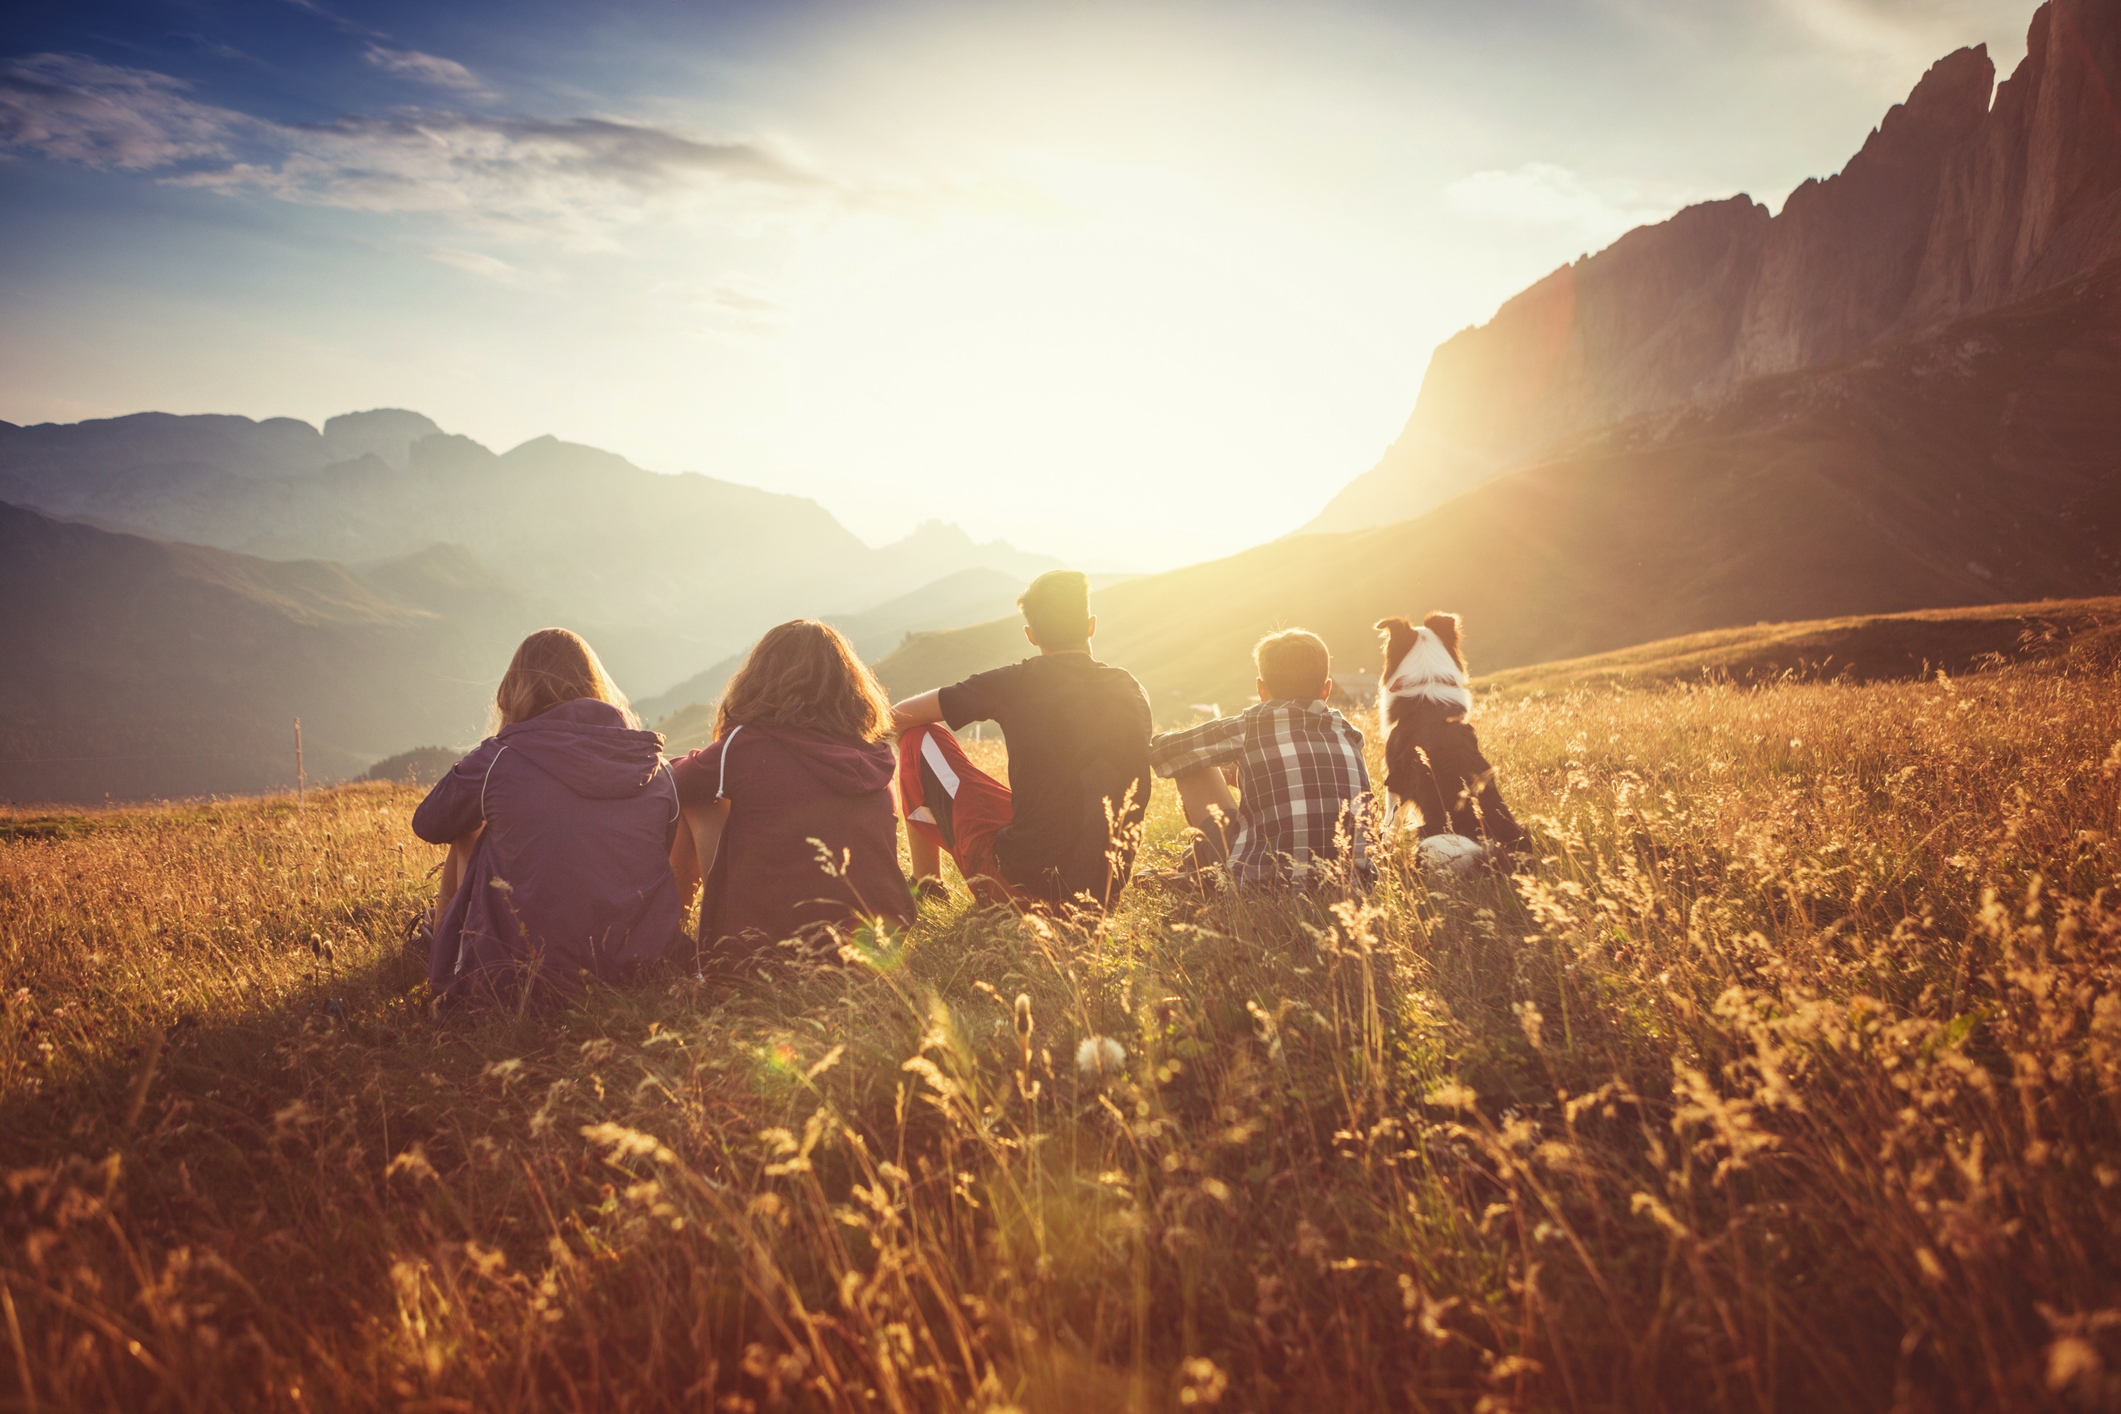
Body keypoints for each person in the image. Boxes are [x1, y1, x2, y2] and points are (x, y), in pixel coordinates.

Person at [412, 628, 680, 1001]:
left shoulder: (500, 758)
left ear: (515, 690)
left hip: (518, 981)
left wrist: (480, 777)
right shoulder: (655, 768)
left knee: (466, 830)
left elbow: (429, 822)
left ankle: (445, 972)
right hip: (635, 973)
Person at [891, 570, 1152, 910]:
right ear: (1091, 625)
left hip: (1024, 886)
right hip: (1103, 892)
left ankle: (927, 883)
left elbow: (899, 717)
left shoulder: (1015, 682)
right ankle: (930, 884)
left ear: (1030, 635)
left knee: (917, 739)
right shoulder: (1133, 690)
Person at [667, 620, 914, 966]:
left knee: (697, 801)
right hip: (877, 948)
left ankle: (671, 941)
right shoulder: (874, 752)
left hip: (768, 956)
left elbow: (673, 782)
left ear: (759, 679)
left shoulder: (747, 744)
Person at [1147, 629, 1375, 889]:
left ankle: (1202, 870)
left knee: (1190, 763)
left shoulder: (1251, 725)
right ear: (1327, 690)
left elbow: (1165, 752)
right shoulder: (1348, 732)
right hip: (1354, 886)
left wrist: (1219, 762)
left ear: (1261, 690)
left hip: (1264, 885)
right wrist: (1245, 773)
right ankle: (1195, 868)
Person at [1375, 612, 1528, 857]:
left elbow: (1395, 796)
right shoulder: (1458, 729)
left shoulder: (1406, 730)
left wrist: (1384, 851)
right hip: (1511, 844)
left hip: (1449, 850)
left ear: (1394, 657)